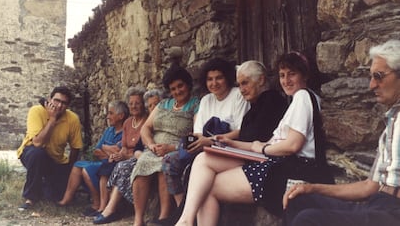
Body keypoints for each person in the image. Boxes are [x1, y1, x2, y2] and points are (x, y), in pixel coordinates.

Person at [175, 53, 333, 226]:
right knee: (203, 170)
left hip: (288, 170)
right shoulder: (297, 100)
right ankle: (185, 220)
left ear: (305, 75)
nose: (286, 80)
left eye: (292, 74)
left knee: (206, 183)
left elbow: (292, 145)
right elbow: (272, 143)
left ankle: (185, 220)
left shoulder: (302, 97)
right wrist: (233, 143)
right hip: (277, 163)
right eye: (282, 75)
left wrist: (262, 149)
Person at [282, 39, 400, 226]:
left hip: (393, 214)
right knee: (298, 200)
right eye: (371, 77)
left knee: (308, 220)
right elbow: (369, 186)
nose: (371, 85)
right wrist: (311, 188)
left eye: (379, 76)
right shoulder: (391, 124)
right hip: (377, 204)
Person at [161, 57, 250, 224]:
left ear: (228, 78)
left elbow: (241, 131)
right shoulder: (207, 100)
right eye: (210, 79)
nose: (214, 83)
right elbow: (198, 132)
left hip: (231, 150)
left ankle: (185, 219)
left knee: (199, 169)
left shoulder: (237, 96)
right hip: (207, 149)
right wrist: (202, 142)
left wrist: (210, 140)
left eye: (219, 78)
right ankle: (184, 213)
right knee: (172, 161)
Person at [131, 65, 200, 226]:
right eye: (173, 89)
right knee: (141, 164)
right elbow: (146, 128)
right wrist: (151, 145)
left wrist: (173, 148)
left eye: (180, 86)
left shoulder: (196, 104)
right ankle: (138, 219)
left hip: (177, 148)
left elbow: (196, 133)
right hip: (154, 148)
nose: (177, 91)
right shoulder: (163, 104)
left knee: (164, 164)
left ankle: (164, 217)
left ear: (188, 84)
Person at [93, 89, 163, 224]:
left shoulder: (147, 122)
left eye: (137, 103)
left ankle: (110, 209)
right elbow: (124, 147)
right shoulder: (127, 123)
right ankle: (108, 207)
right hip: (127, 156)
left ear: (143, 105)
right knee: (111, 164)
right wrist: (118, 154)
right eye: (131, 103)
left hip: (139, 156)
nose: (134, 106)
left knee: (122, 167)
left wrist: (124, 156)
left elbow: (141, 148)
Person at [57, 100, 129, 216]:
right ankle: (66, 200)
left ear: (121, 116)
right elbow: (96, 151)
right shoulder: (109, 130)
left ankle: (97, 204)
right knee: (77, 165)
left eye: (111, 113)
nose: (108, 117)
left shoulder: (125, 132)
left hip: (111, 165)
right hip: (104, 162)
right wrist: (108, 150)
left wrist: (105, 149)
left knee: (87, 170)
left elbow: (118, 152)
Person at [17, 86, 83, 211]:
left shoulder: (72, 119)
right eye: (56, 100)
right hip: (32, 153)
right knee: (38, 154)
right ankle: (30, 197)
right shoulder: (36, 111)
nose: (59, 106)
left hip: (55, 159)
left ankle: (44, 187)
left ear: (68, 106)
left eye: (63, 103)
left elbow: (76, 148)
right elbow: (37, 142)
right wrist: (52, 119)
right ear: (49, 99)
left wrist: (69, 171)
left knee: (55, 196)